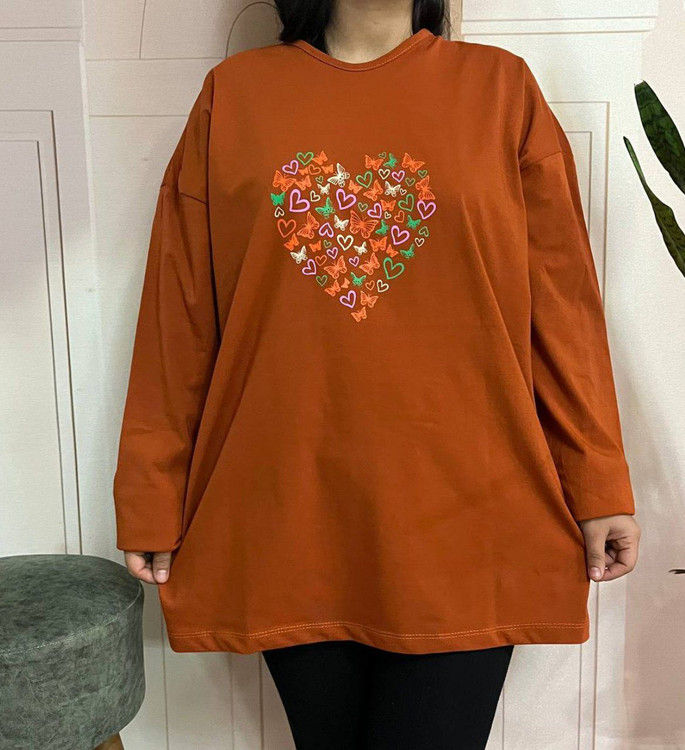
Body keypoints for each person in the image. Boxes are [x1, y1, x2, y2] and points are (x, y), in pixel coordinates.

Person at [112, 1, 642, 748]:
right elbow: (180, 316)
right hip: (292, 513)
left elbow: (563, 311)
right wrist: (151, 493)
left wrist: (598, 483)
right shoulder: (233, 96)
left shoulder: (501, 90)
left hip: (469, 517)